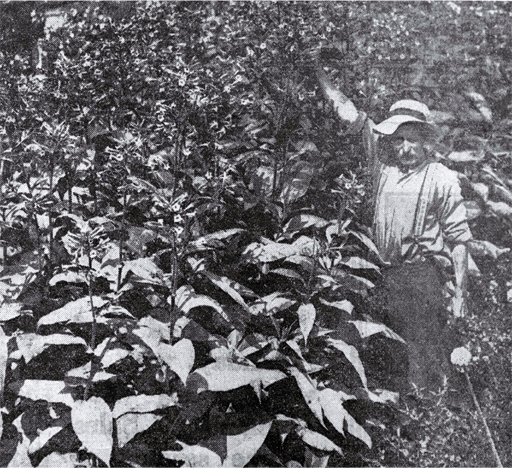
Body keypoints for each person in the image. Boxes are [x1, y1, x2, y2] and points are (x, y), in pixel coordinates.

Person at [317, 69, 473, 391]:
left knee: (421, 352)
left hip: (419, 276)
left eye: (413, 139)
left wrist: (460, 293)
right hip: (379, 273)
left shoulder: (441, 177)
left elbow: (459, 240)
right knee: (378, 348)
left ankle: (427, 413)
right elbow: (349, 113)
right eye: (399, 139)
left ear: (426, 142)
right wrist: (319, 75)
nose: (405, 147)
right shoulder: (382, 167)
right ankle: (387, 415)